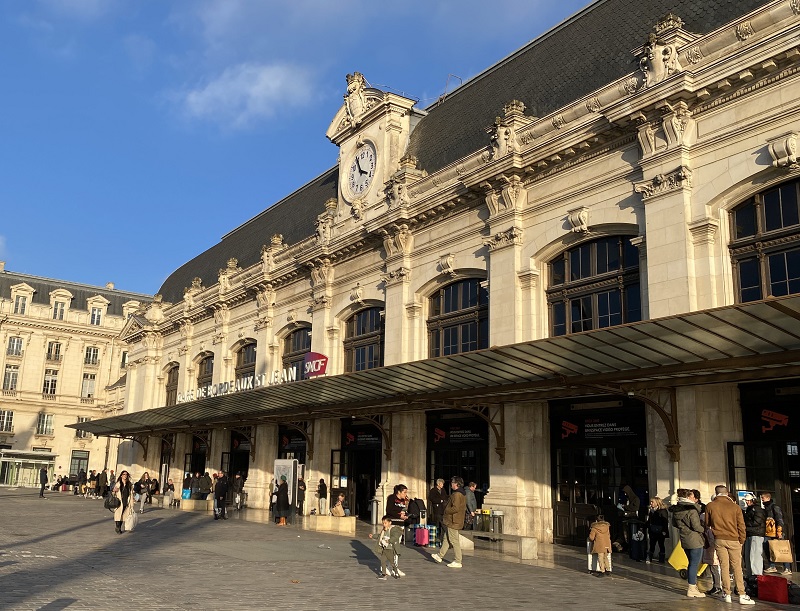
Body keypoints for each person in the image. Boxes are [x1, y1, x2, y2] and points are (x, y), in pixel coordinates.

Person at [705, 485, 754, 605]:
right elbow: (741, 525)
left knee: (724, 566)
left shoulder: (710, 505)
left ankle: (727, 594)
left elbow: (707, 523)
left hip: (719, 538)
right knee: (737, 567)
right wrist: (741, 540)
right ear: (727, 493)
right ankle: (742, 594)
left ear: (716, 493)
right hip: (734, 539)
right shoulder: (735, 507)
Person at [669, 488, 706, 598]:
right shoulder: (691, 510)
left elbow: (674, 524)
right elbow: (696, 526)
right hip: (694, 539)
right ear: (688, 497)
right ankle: (692, 588)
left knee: (691, 563)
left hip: (684, 538)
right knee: (694, 564)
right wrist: (704, 529)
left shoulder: (677, 510)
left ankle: (693, 587)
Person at [431, 476, 466, 568]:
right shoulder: (461, 493)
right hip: (453, 520)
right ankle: (439, 556)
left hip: (453, 521)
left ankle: (458, 560)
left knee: (454, 541)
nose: (451, 484)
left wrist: (446, 510)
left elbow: (456, 508)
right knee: (447, 538)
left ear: (457, 484)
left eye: (453, 483)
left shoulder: (457, 494)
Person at [762, 492, 793, 575]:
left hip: (775, 532)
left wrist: (779, 531)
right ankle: (772, 566)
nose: (762, 500)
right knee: (768, 549)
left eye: (763, 498)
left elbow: (779, 519)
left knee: (781, 549)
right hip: (768, 532)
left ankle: (787, 567)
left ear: (768, 498)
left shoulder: (774, 507)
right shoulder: (766, 508)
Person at [701, 495, 723, 596]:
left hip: (714, 543)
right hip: (715, 542)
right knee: (714, 565)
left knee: (714, 565)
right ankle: (718, 586)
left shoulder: (708, 516)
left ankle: (718, 586)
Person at [369, 515, 403, 580]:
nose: (384, 524)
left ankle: (396, 573)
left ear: (390, 522)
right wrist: (373, 536)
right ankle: (384, 574)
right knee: (383, 561)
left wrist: (389, 540)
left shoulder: (393, 529)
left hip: (390, 549)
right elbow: (380, 536)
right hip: (384, 549)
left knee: (392, 562)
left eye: (385, 523)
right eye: (383, 523)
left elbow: (395, 537)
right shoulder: (384, 530)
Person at [742, 493, 765, 578]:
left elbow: (756, 522)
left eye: (749, 500)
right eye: (746, 500)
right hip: (751, 533)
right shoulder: (750, 509)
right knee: (749, 556)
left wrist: (745, 524)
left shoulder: (757, 509)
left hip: (756, 533)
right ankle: (751, 575)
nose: (747, 502)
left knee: (755, 555)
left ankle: (756, 575)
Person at [646, 496, 669, 563]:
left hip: (660, 531)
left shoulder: (663, 511)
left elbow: (665, 521)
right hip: (653, 530)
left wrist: (664, 530)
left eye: (652, 502)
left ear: (657, 502)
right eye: (651, 502)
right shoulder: (651, 511)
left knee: (661, 544)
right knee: (652, 544)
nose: (651, 503)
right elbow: (649, 520)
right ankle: (649, 558)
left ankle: (661, 559)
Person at [112, 470, 135, 534]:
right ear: (121, 475)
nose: (125, 475)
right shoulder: (118, 483)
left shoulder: (129, 484)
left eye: (126, 474)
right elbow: (113, 493)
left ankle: (119, 526)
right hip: (119, 502)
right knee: (118, 515)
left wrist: (132, 502)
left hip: (126, 501)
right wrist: (114, 491)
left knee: (123, 515)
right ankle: (117, 527)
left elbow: (131, 494)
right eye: (124, 474)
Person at [428, 478, 447, 543]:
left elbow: (445, 497)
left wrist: (444, 501)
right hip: (437, 508)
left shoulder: (443, 490)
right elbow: (431, 498)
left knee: (442, 522)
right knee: (438, 522)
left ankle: (442, 537)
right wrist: (440, 501)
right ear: (438, 484)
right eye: (442, 484)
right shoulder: (433, 490)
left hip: (443, 508)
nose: (443, 485)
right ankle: (436, 536)